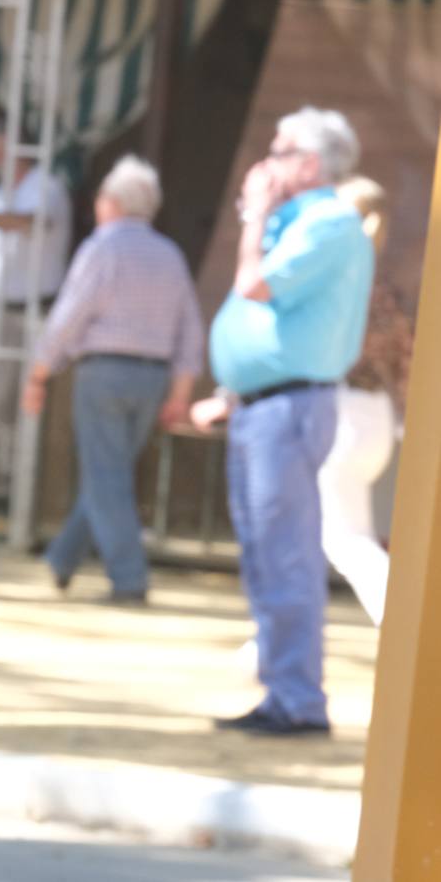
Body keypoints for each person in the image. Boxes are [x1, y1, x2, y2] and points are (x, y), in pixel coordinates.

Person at [190, 107, 374, 737]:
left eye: (281, 148)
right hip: (263, 406)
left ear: (312, 164)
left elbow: (254, 287)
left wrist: (256, 215)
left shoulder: (328, 222)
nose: (267, 160)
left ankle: (298, 702)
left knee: (286, 555)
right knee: (268, 557)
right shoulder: (302, 220)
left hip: (291, 408)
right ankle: (282, 693)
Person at [22, 156, 204, 604]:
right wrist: (180, 391)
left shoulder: (102, 248)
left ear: (115, 203)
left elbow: (69, 316)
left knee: (106, 475)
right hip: (153, 377)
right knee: (112, 474)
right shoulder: (171, 255)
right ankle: (63, 559)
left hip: (104, 373)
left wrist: (40, 372)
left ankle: (129, 579)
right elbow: (190, 329)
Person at [0, 120, 72, 480]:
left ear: (16, 152)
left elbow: (28, 222)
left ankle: (24, 490)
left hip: (34, 312)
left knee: (29, 405)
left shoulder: (47, 188)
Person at [316, 176, 408, 626]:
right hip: (375, 417)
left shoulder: (337, 284)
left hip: (342, 416)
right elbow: (404, 359)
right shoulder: (384, 289)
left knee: (344, 539)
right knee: (341, 534)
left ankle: (399, 618)